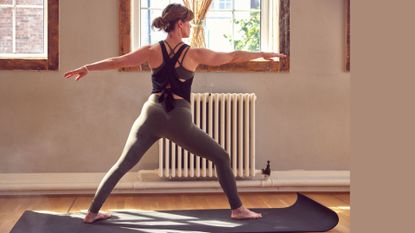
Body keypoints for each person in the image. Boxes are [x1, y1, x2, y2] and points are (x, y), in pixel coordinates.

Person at [64, 3, 287, 223]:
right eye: (188, 23)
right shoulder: (194, 54)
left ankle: (92, 213)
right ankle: (237, 209)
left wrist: (87, 68)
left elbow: (118, 62)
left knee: (122, 164)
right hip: (178, 118)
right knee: (221, 157)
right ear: (179, 24)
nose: (190, 27)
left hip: (151, 114)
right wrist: (261, 53)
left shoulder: (151, 51)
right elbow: (232, 56)